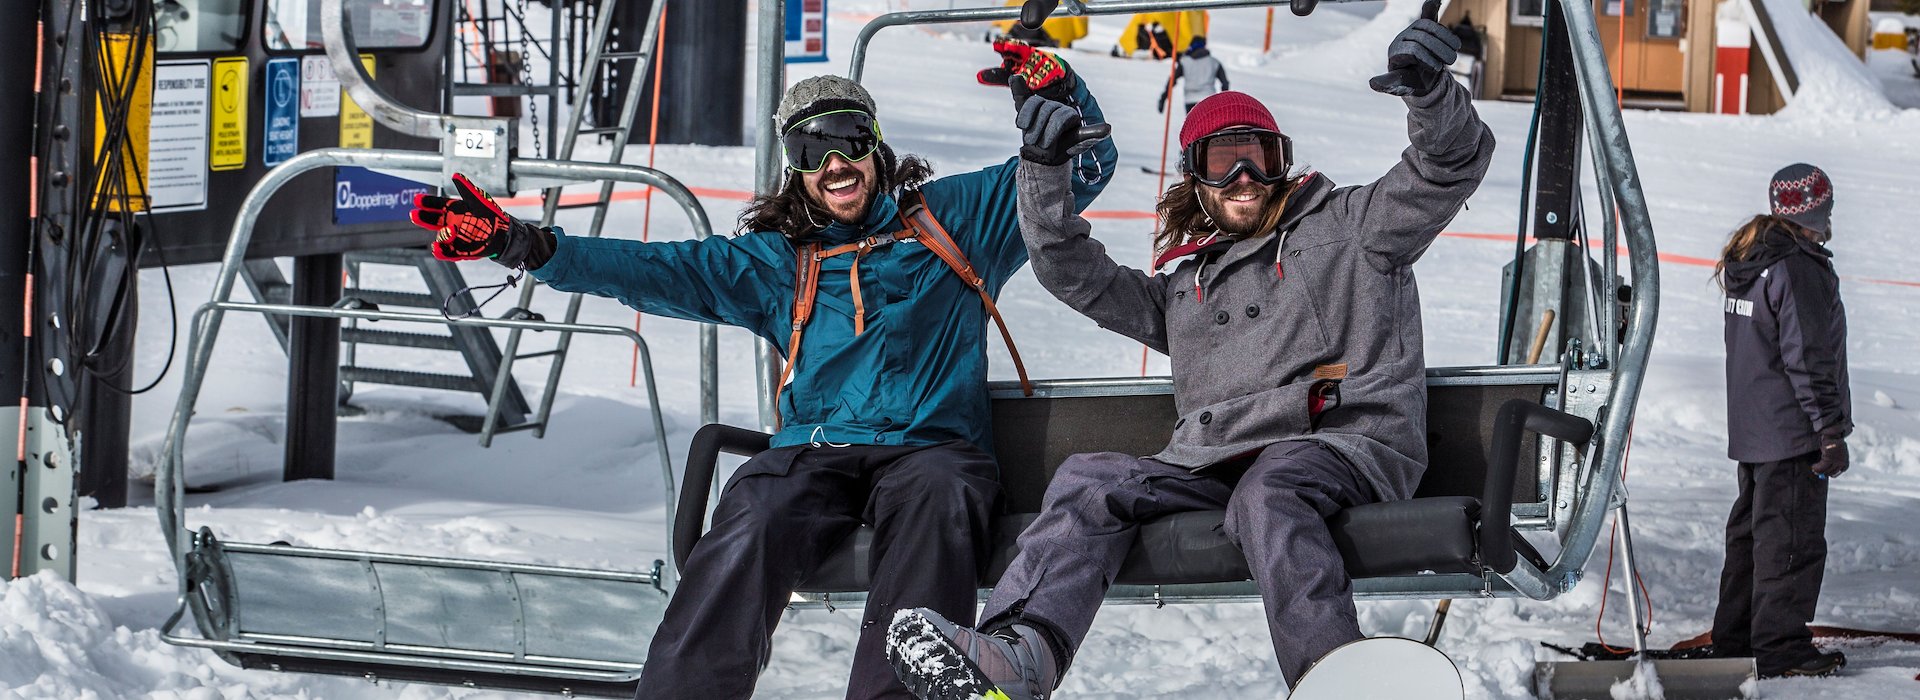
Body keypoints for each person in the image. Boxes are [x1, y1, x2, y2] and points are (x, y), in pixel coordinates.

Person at [408, 45, 1117, 700]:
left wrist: (1061, 95)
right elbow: (656, 270)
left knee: (939, 498)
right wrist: (526, 246)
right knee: (756, 508)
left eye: (847, 138)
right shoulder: (779, 261)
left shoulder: (959, 218)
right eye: (810, 149)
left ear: (875, 144)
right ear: (794, 168)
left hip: (933, 449)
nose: (833, 162)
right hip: (817, 451)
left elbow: (1081, 166)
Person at [886, 17, 1490, 700]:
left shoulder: (1354, 227)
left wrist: (1432, 93)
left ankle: (1335, 678)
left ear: (1281, 162)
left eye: (1258, 156)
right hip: (1216, 463)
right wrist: (1044, 169)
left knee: (1272, 491)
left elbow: (1446, 167)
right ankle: (1020, 655)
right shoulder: (1186, 287)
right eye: (1219, 162)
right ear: (1195, 179)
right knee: (1090, 479)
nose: (1242, 177)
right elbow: (1069, 270)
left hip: (1339, 446)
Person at [1708, 163, 1851, 679]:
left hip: (1755, 430)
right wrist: (1829, 431)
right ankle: (1779, 647)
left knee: (1753, 539)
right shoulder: (1796, 267)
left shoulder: (1753, 259)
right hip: (1792, 432)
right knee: (1790, 543)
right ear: (1815, 212)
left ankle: (1737, 637)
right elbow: (1807, 356)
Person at [1158, 35, 1229, 114]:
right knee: (1209, 122)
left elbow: (1172, 80)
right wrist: (1224, 102)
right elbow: (1225, 83)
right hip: (1209, 99)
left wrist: (1163, 97)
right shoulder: (1214, 62)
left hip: (1190, 100)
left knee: (1194, 122)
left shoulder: (1185, 62)